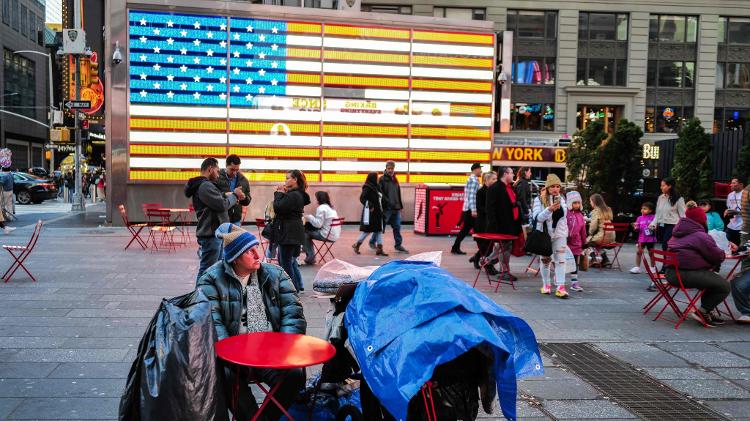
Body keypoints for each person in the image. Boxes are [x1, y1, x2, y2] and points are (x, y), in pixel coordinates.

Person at [196, 223, 306, 420]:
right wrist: (230, 353)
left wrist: (284, 347)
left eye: (257, 248)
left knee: (295, 374)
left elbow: (293, 314)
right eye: (249, 251)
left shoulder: (276, 274)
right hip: (233, 357)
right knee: (225, 376)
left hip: (271, 351)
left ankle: (262, 418)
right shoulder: (211, 279)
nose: (258, 255)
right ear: (235, 258)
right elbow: (212, 324)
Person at [666, 207, 730, 326]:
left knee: (712, 280)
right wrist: (724, 251)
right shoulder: (700, 235)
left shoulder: (677, 233)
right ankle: (703, 311)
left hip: (671, 273)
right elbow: (717, 257)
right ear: (702, 220)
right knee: (724, 285)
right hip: (686, 274)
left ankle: (707, 311)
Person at [184, 157, 245, 281]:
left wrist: (224, 195)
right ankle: (199, 297)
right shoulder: (205, 185)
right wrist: (234, 195)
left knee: (213, 270)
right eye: (217, 171)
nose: (218, 174)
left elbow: (214, 201)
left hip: (214, 233)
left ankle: (208, 297)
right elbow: (222, 205)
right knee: (207, 270)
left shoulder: (206, 186)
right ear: (210, 169)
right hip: (211, 233)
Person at [273, 169, 310, 292]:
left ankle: (291, 289)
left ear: (295, 180)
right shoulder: (296, 194)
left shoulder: (294, 195)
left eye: (288, 177)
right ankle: (296, 287)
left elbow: (279, 208)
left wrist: (278, 193)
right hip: (293, 231)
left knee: (285, 262)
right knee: (289, 261)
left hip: (289, 232)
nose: (285, 180)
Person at [532, 174, 569, 298]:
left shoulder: (562, 199)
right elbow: (537, 218)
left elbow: (563, 216)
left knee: (561, 260)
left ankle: (561, 286)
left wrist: (558, 208)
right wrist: (549, 209)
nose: (555, 189)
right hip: (545, 235)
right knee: (545, 260)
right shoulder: (539, 199)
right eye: (553, 186)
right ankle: (546, 285)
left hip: (559, 234)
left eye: (558, 186)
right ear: (547, 187)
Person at [486, 166, 523, 283]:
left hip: (510, 224)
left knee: (505, 247)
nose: (513, 175)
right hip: (501, 226)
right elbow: (490, 209)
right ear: (505, 174)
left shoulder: (509, 188)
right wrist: (494, 227)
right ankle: (500, 269)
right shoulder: (495, 188)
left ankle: (491, 262)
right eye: (512, 173)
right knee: (505, 248)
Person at [375, 161, 408, 253]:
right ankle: (373, 241)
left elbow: (397, 193)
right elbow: (380, 193)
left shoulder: (395, 179)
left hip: (396, 208)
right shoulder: (381, 179)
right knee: (381, 226)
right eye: (389, 168)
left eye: (392, 168)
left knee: (397, 226)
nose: (390, 170)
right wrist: (387, 202)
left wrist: (400, 205)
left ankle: (398, 245)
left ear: (394, 168)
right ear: (386, 168)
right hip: (387, 208)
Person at [469, 171, 498, 274]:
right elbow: (480, 207)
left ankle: (478, 258)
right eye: (493, 179)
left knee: (488, 245)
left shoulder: (494, 191)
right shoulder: (481, 192)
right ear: (486, 180)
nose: (495, 181)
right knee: (486, 245)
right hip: (482, 222)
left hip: (490, 221)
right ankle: (486, 264)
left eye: (496, 179)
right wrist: (490, 210)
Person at [451, 163, 482, 255]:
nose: (481, 171)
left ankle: (455, 247)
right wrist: (473, 210)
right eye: (480, 169)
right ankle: (481, 251)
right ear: (476, 169)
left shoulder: (471, 179)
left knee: (465, 229)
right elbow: (472, 196)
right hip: (470, 209)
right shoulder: (473, 180)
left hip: (467, 208)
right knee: (475, 229)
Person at [302, 191, 340, 265]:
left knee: (304, 234)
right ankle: (306, 250)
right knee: (308, 232)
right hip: (334, 234)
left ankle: (310, 257)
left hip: (327, 235)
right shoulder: (331, 208)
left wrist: (309, 217)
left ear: (318, 199)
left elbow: (318, 224)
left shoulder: (321, 208)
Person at [353, 172, 387, 256]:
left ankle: (379, 249)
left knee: (378, 230)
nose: (378, 179)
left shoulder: (377, 186)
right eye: (376, 177)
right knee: (367, 231)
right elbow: (362, 198)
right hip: (371, 213)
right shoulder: (367, 187)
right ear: (372, 178)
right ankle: (357, 244)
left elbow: (381, 197)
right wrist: (371, 206)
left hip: (378, 212)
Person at [650, 176, 686, 251]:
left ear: (670, 186)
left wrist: (681, 229)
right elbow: (657, 213)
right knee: (665, 246)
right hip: (661, 225)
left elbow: (683, 216)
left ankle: (668, 262)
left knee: (666, 245)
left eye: (663, 185)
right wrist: (653, 223)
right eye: (661, 185)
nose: (661, 187)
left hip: (672, 225)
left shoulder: (679, 199)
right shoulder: (660, 198)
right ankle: (667, 262)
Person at [216, 154, 251, 226]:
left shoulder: (243, 180)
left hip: (236, 220)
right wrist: (226, 194)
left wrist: (244, 198)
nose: (234, 173)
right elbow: (213, 196)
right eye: (232, 169)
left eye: (237, 170)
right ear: (226, 165)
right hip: (220, 219)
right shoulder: (216, 178)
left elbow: (248, 200)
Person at [587, 193, 616, 266]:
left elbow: (593, 227)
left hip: (602, 237)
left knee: (586, 241)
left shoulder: (596, 211)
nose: (590, 203)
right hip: (612, 238)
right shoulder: (608, 209)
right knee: (595, 242)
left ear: (594, 202)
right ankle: (605, 259)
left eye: (590, 201)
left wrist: (590, 233)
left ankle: (593, 259)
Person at [566, 191, 586, 292]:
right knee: (562, 261)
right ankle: (558, 277)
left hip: (576, 243)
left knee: (574, 263)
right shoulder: (566, 214)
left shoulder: (580, 216)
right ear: (569, 203)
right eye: (574, 203)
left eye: (578, 203)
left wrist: (584, 241)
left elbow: (583, 230)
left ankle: (574, 282)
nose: (577, 205)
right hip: (565, 242)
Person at [630, 202, 657, 275]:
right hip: (641, 238)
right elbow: (637, 229)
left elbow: (655, 227)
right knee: (639, 252)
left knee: (651, 253)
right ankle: (637, 267)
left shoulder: (653, 217)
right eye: (642, 208)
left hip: (651, 239)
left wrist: (652, 227)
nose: (642, 210)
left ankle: (652, 268)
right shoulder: (639, 218)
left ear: (650, 210)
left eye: (645, 209)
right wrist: (635, 227)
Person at [725, 178, 744, 246]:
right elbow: (729, 208)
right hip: (731, 226)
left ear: (741, 184)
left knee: (742, 250)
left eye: (734, 183)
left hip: (743, 227)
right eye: (731, 183)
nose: (731, 185)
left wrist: (737, 212)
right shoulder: (730, 195)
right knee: (727, 246)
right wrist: (727, 211)